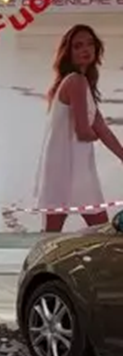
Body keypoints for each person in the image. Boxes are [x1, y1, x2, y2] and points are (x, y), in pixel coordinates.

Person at [33, 23, 123, 232]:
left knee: (54, 233)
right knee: (100, 231)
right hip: (69, 166)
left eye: (90, 44)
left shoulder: (82, 83)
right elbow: (85, 131)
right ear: (68, 52)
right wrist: (93, 136)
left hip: (67, 166)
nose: (85, 49)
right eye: (78, 46)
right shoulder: (76, 81)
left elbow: (101, 127)